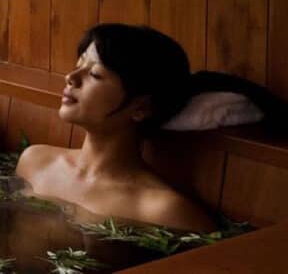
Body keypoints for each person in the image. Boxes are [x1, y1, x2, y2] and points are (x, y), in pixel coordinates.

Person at [15, 24, 228, 233]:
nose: (71, 77)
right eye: (78, 65)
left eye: (96, 74)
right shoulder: (35, 162)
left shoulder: (163, 211)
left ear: (141, 107)